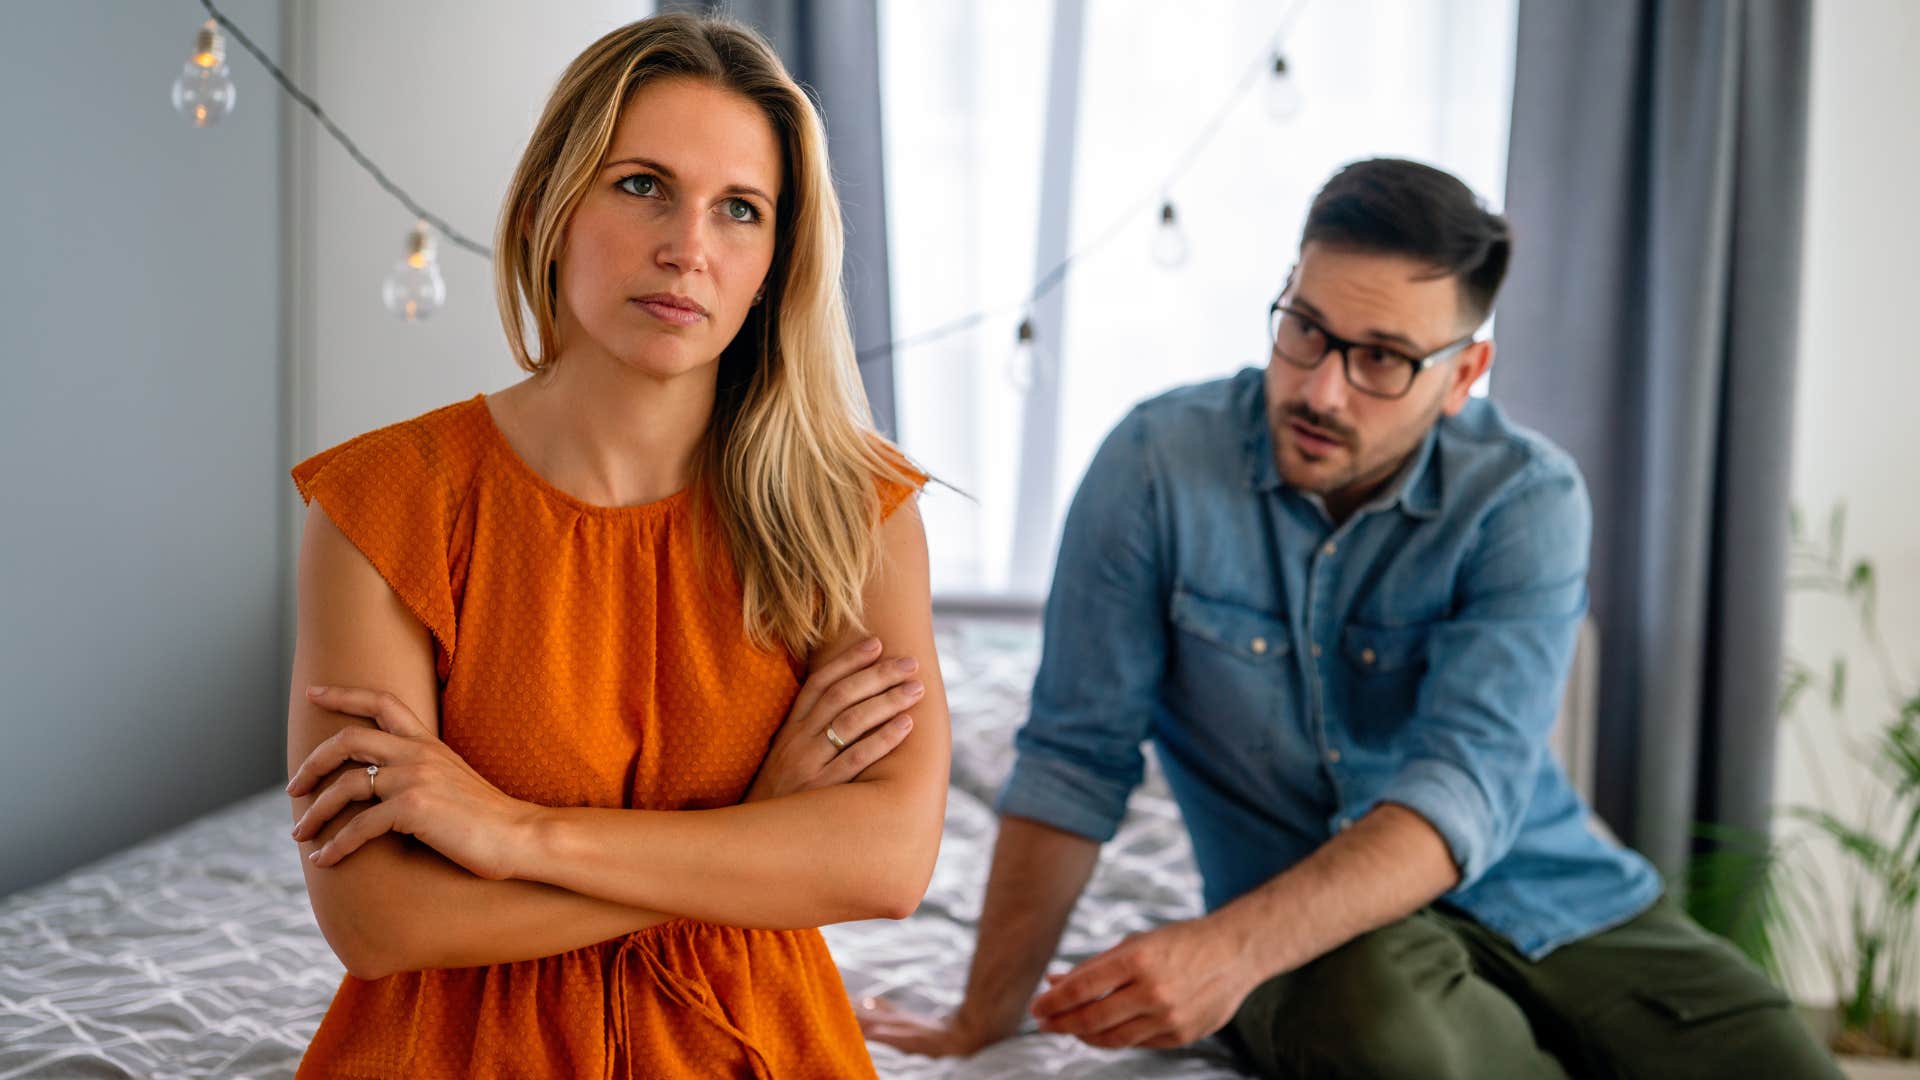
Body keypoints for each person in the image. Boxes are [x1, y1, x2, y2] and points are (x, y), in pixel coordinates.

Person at [859, 158, 1841, 1078]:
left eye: (1383, 360)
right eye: (1306, 329)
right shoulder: (1155, 468)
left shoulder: (1526, 499)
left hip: (1559, 899)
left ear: (1464, 375)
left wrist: (1220, 949)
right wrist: (981, 1019)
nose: (1322, 388)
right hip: (1321, 944)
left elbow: (1463, 787)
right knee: (1391, 1039)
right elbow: (1074, 759)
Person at [279, 13, 948, 1078]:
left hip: (758, 1050)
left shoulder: (852, 510)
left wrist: (511, 837)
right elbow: (378, 919)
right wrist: (755, 836)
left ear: (776, 261)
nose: (688, 248)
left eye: (740, 210)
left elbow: (887, 863)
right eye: (642, 185)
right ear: (550, 203)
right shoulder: (383, 505)